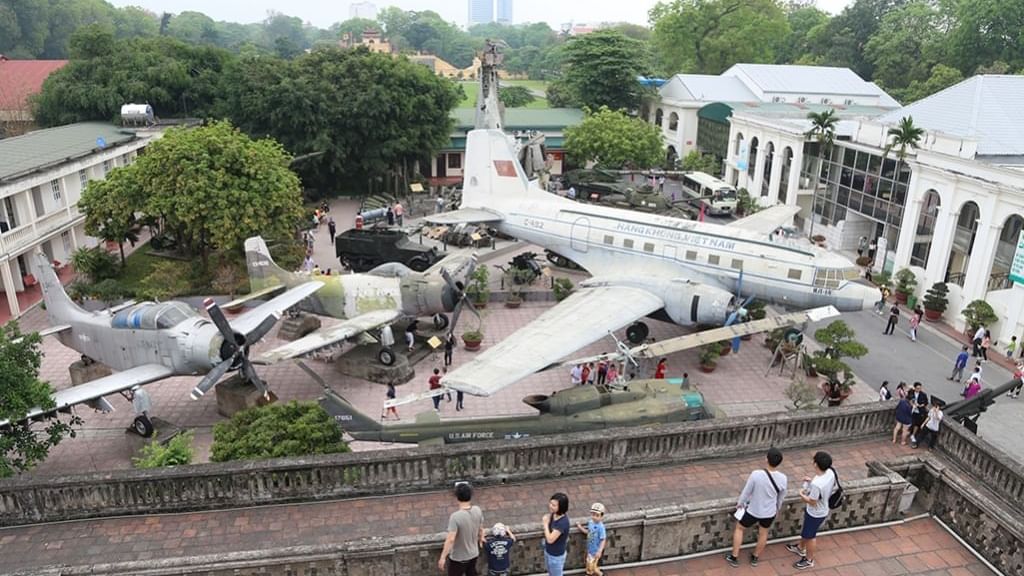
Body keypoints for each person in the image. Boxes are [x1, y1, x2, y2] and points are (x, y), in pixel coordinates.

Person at [725, 447, 787, 568]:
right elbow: (781, 497)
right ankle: (755, 557)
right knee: (763, 533)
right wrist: (777, 509)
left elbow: (746, 492)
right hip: (769, 512)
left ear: (766, 459)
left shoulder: (756, 474)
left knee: (739, 528)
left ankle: (734, 556)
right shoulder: (783, 478)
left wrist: (740, 503)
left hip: (753, 510)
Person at [786, 451, 836, 570]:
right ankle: (800, 547)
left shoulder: (817, 484)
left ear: (815, 464)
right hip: (823, 508)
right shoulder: (830, 472)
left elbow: (812, 501)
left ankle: (809, 559)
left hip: (815, 513)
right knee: (807, 532)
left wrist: (801, 494)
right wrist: (810, 482)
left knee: (810, 536)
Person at [439, 482, 485, 575]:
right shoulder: (477, 510)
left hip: (459, 557)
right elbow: (481, 529)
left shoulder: (455, 517)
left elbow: (451, 539)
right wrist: (481, 539)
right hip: (474, 553)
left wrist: (443, 557)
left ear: (457, 497)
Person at [542, 493, 570, 576]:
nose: (550, 506)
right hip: (549, 551)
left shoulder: (562, 523)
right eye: (550, 503)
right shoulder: (554, 515)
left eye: (554, 505)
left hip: (556, 556)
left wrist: (545, 524)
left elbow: (550, 539)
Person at [576, 502, 607, 576]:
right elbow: (588, 532)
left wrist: (599, 551)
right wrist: (580, 527)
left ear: (601, 516)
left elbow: (603, 539)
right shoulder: (590, 523)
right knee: (589, 563)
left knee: (592, 565)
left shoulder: (601, 527)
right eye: (593, 514)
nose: (594, 517)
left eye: (597, 515)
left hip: (596, 551)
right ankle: (591, 573)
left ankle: (599, 574)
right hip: (590, 549)